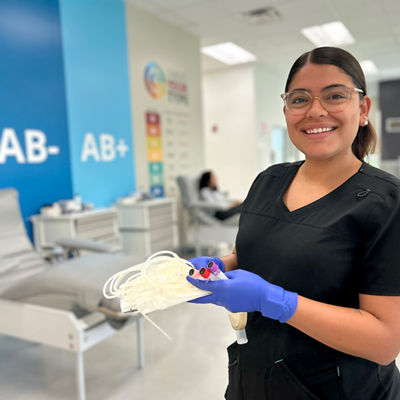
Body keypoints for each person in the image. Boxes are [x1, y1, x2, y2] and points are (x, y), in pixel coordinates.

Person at [187, 47, 400, 400]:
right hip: (254, 378)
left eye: (335, 95)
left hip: (339, 389)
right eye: (300, 98)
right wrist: (217, 268)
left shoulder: (386, 202)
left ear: (362, 109)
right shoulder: (267, 181)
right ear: (286, 111)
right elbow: (253, 252)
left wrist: (277, 301)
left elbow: (384, 342)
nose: (316, 110)